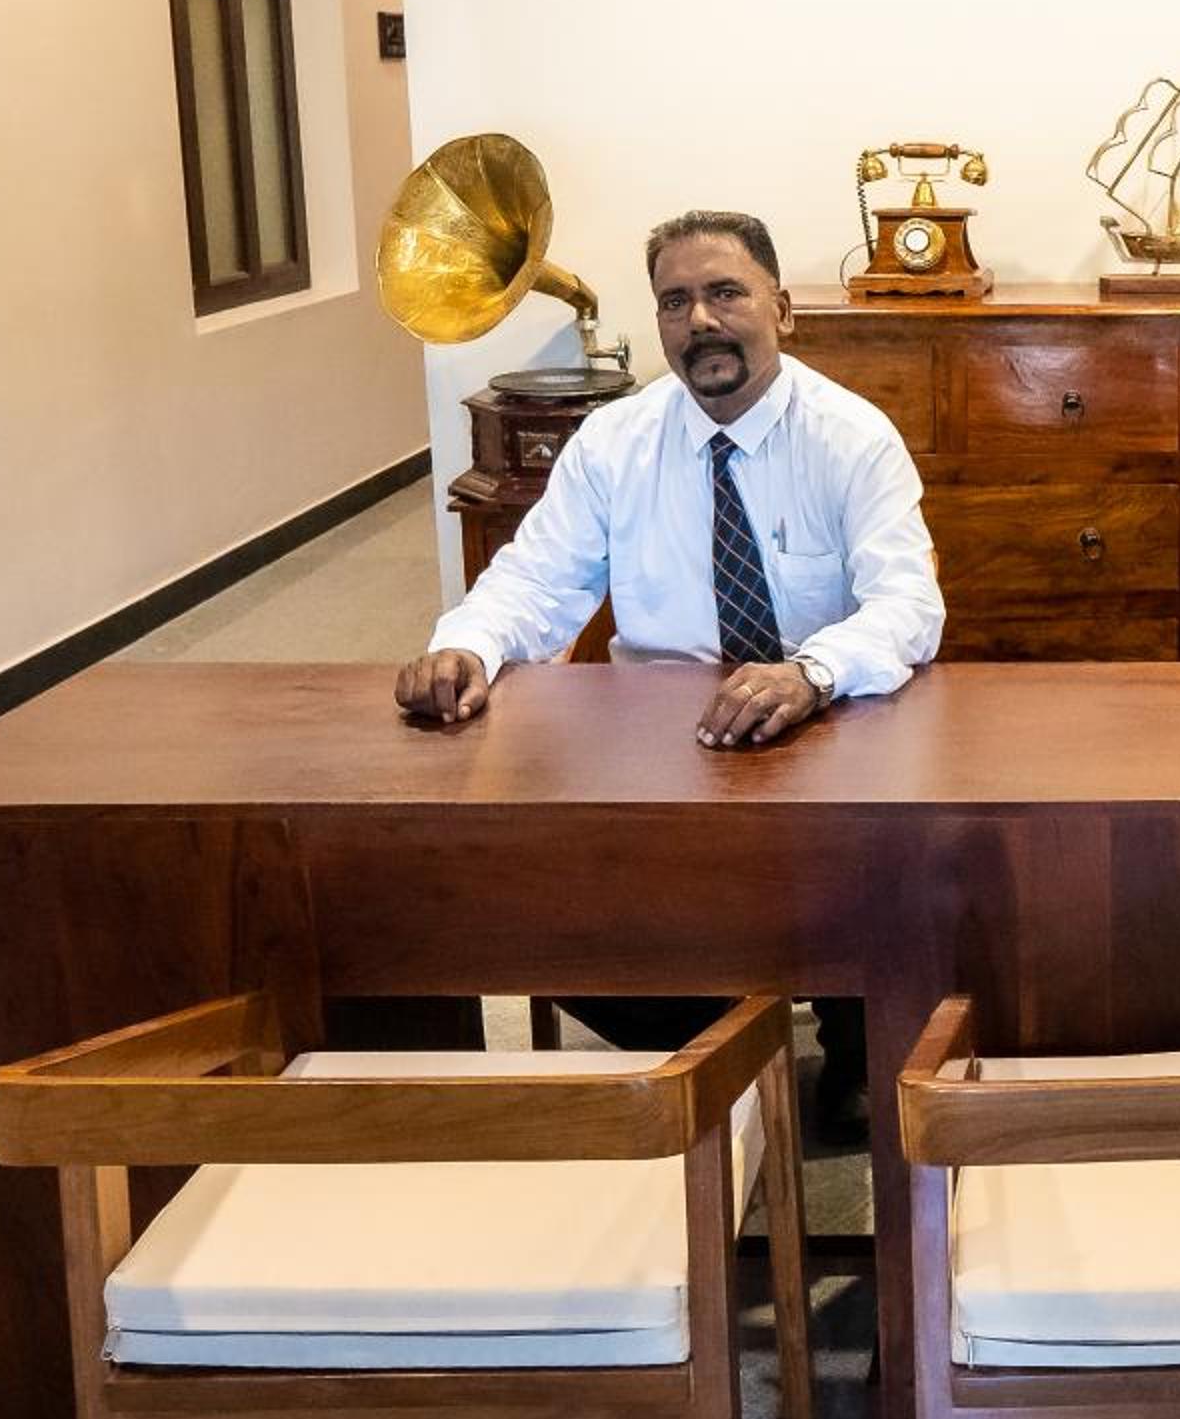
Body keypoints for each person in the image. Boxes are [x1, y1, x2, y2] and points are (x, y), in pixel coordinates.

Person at [395, 207, 943, 1140]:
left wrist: (810, 673)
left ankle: (843, 1043)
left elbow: (908, 607)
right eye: (675, 301)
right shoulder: (615, 441)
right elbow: (535, 581)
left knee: (898, 897)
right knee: (538, 911)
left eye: (726, 293)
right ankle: (729, 1042)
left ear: (781, 308)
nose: (701, 321)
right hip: (664, 749)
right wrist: (468, 645)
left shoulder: (852, 436)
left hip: (828, 738)